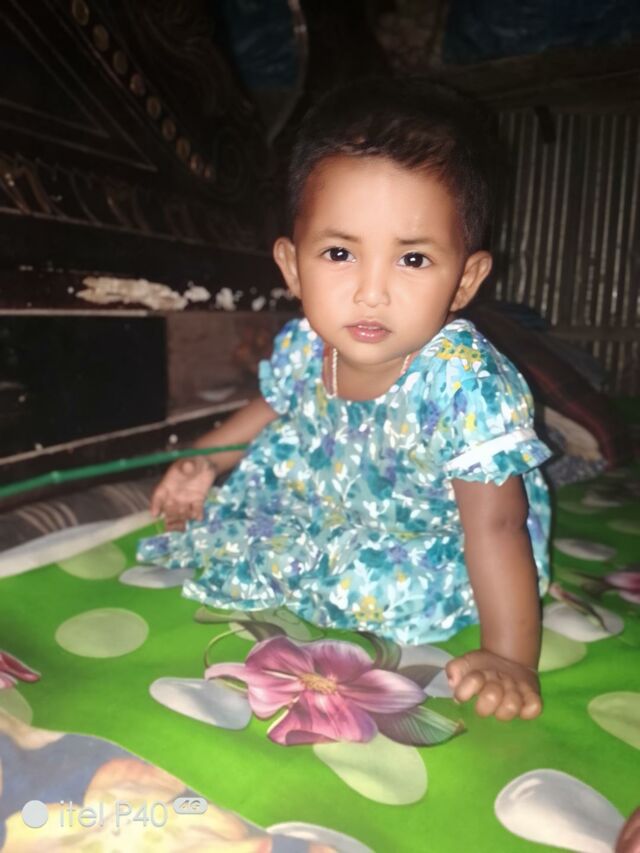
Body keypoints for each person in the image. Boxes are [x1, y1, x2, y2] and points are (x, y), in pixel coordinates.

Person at [138, 77, 552, 722]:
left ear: (464, 280)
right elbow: (272, 406)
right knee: (249, 532)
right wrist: (205, 461)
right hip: (330, 497)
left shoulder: (462, 384)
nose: (370, 292)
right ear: (292, 266)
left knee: (371, 586)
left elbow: (495, 525)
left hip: (431, 536)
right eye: (339, 253)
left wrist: (510, 656)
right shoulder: (311, 344)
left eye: (412, 260)